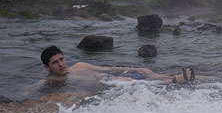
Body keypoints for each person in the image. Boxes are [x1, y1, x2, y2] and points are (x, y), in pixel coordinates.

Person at [40, 45, 195, 84]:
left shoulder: (80, 66)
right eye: (55, 62)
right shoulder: (51, 81)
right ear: (47, 67)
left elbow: (110, 69)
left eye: (62, 59)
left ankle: (170, 77)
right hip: (108, 85)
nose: (61, 64)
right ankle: (174, 81)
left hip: (113, 78)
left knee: (147, 74)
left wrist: (136, 68)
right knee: (131, 83)